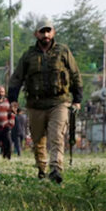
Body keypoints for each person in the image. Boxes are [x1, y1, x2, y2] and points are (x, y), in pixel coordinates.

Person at [9, 19, 83, 183]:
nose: (46, 34)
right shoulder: (28, 55)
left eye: (48, 31)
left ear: (53, 32)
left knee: (57, 136)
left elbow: (75, 74)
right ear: (36, 34)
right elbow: (16, 78)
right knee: (38, 141)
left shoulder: (63, 51)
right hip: (35, 104)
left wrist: (77, 99)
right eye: (42, 31)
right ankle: (42, 169)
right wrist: (13, 99)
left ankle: (56, 168)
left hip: (59, 102)